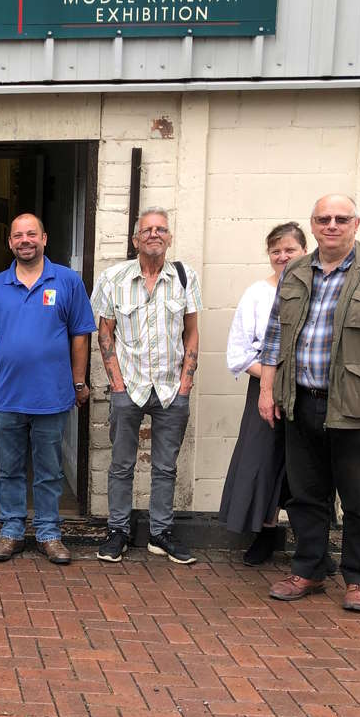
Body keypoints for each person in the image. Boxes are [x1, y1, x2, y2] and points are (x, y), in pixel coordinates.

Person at [259, 194, 360, 613]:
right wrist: (267, 390)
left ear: (355, 224)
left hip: (355, 408)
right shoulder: (294, 271)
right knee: (306, 496)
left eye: (340, 219)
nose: (332, 225)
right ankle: (309, 570)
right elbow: (275, 336)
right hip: (300, 401)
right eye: (323, 218)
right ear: (312, 224)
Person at [0, 215, 94, 563]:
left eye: (31, 234)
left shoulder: (68, 281)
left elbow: (80, 336)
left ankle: (48, 533)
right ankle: (11, 531)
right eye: (18, 236)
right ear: (10, 243)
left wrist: (78, 381)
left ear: (44, 238)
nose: (25, 240)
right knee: (8, 468)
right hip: (6, 395)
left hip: (51, 395)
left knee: (49, 471)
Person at [92, 206, 203, 565]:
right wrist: (117, 385)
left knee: (165, 467)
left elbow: (192, 333)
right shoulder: (113, 278)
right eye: (147, 230)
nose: (154, 234)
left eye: (161, 229)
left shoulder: (185, 278)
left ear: (169, 237)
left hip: (171, 389)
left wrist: (185, 385)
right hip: (130, 387)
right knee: (121, 465)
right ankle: (119, 531)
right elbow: (105, 334)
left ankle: (160, 533)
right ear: (135, 239)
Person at [217, 222, 307, 565]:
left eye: (290, 250)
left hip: (311, 389)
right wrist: (274, 378)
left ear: (304, 250)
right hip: (265, 387)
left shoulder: (321, 288)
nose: (282, 256)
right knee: (263, 463)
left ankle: (309, 544)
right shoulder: (257, 293)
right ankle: (264, 536)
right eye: (276, 251)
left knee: (307, 469)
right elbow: (239, 353)